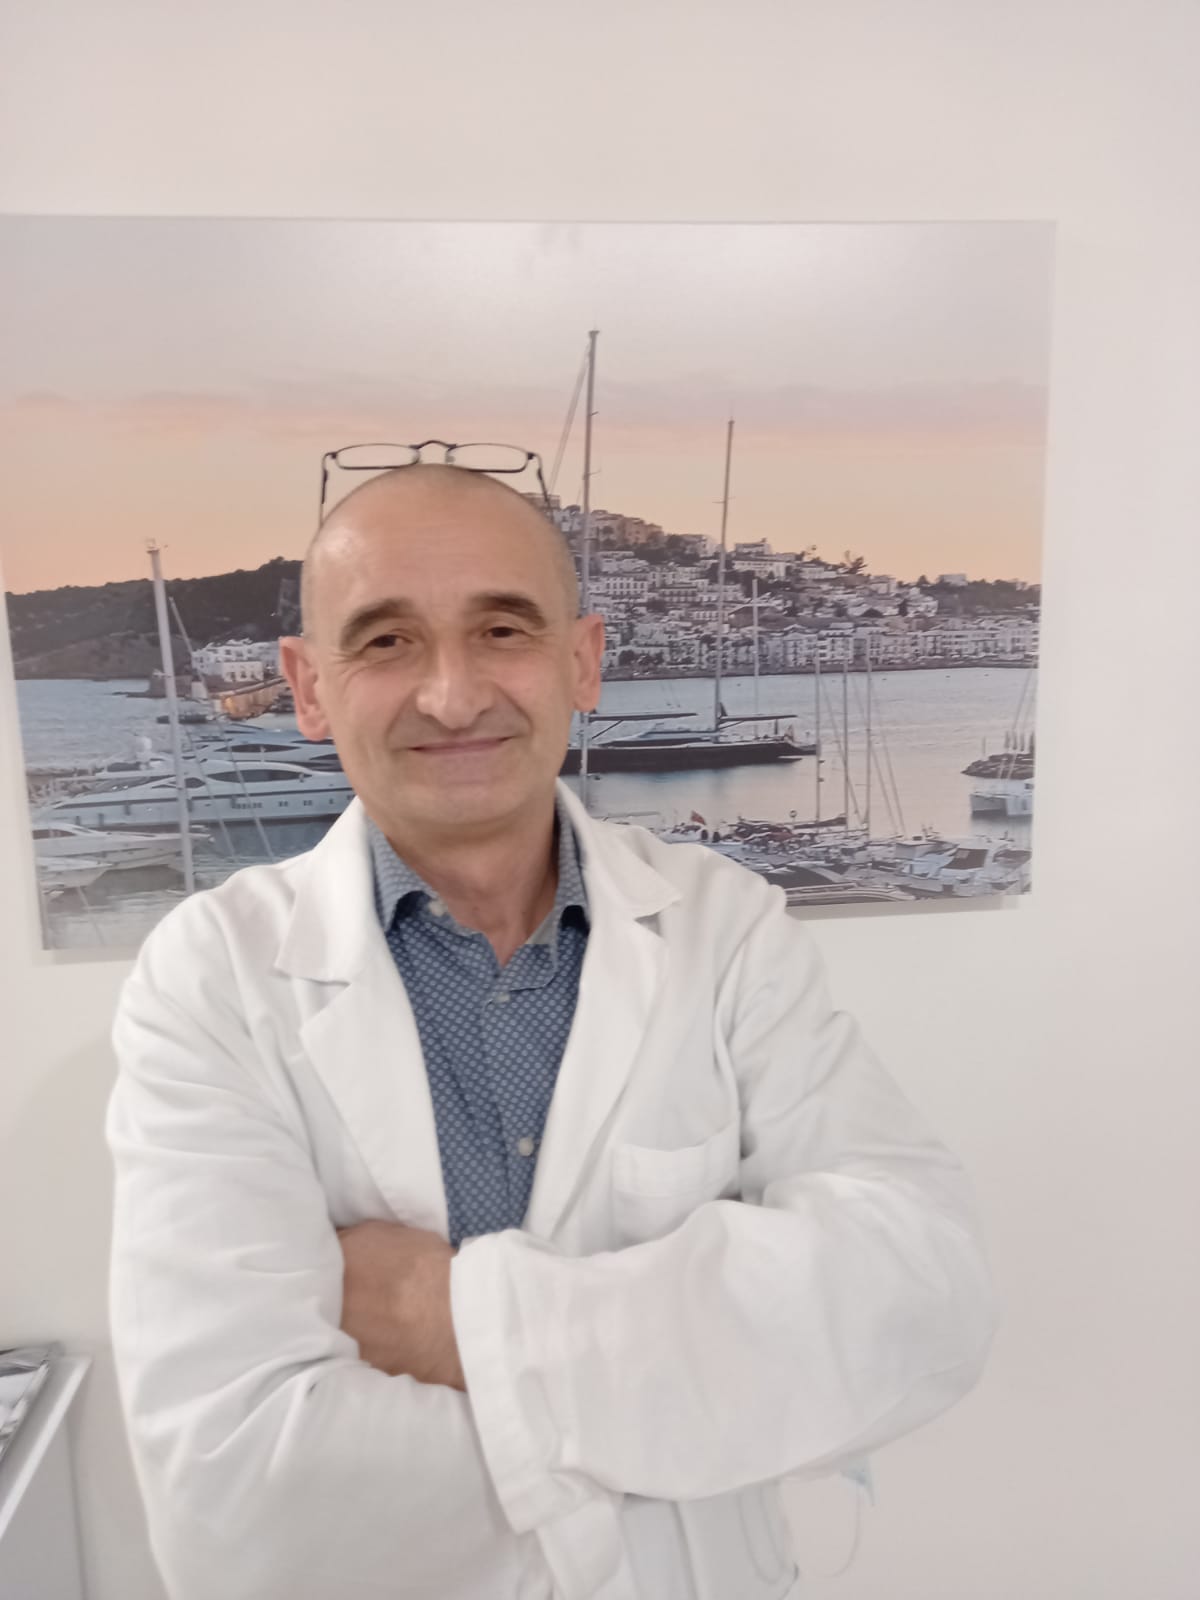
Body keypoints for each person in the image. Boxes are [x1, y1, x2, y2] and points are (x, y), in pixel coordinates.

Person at [106, 463, 999, 1600]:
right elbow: (235, 1500)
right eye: (386, 641)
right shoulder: (210, 976)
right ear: (308, 685)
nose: (451, 694)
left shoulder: (725, 930)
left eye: (502, 629)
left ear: (582, 660)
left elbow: (920, 1299)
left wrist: (453, 1318)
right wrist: (677, 1416)